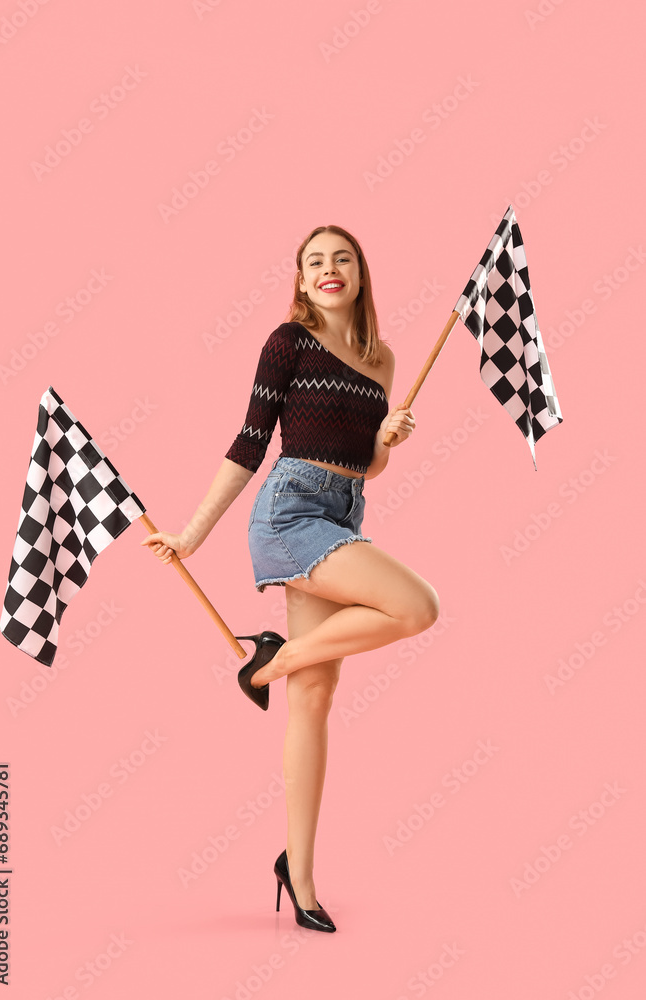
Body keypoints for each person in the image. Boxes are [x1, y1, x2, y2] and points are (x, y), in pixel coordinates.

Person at [141, 224, 440, 932]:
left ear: (360, 276)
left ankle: (298, 877)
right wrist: (191, 533)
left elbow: (364, 466)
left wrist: (384, 443)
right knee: (416, 606)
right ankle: (264, 665)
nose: (328, 269)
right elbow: (250, 441)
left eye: (341, 258)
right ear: (301, 282)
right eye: (314, 261)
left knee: (314, 697)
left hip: (343, 509)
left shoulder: (383, 359)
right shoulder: (288, 343)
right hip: (288, 511)